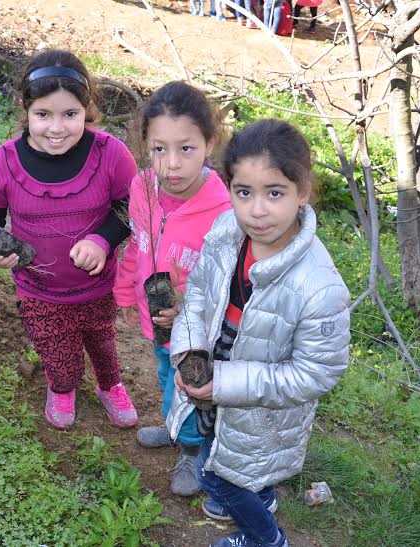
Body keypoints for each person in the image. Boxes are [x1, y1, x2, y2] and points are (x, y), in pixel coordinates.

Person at [167, 119, 351, 547]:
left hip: (262, 411)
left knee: (218, 477)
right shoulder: (225, 232)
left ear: (302, 193)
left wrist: (225, 383)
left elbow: (316, 373)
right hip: (215, 372)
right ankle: (261, 496)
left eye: (275, 193)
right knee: (218, 443)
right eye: (244, 192)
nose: (257, 210)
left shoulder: (319, 287)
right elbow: (198, 296)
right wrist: (189, 352)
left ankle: (267, 539)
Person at [0, 50, 139, 431]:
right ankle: (62, 387)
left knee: (102, 339)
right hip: (39, 289)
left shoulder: (111, 155)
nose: (57, 128)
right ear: (25, 109)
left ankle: (109, 385)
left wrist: (102, 240)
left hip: (99, 285)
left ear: (87, 109)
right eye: (43, 114)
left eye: (70, 114)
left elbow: (131, 208)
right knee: (57, 350)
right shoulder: (2, 164)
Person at [113, 81, 231, 496]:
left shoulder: (225, 211)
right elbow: (137, 244)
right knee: (166, 372)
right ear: (145, 146)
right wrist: (126, 291)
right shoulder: (142, 188)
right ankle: (174, 424)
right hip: (157, 315)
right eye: (159, 149)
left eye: (186, 148)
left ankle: (193, 448)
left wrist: (190, 308)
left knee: (191, 382)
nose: (172, 164)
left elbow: (227, 285)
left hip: (196, 329)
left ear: (209, 144)